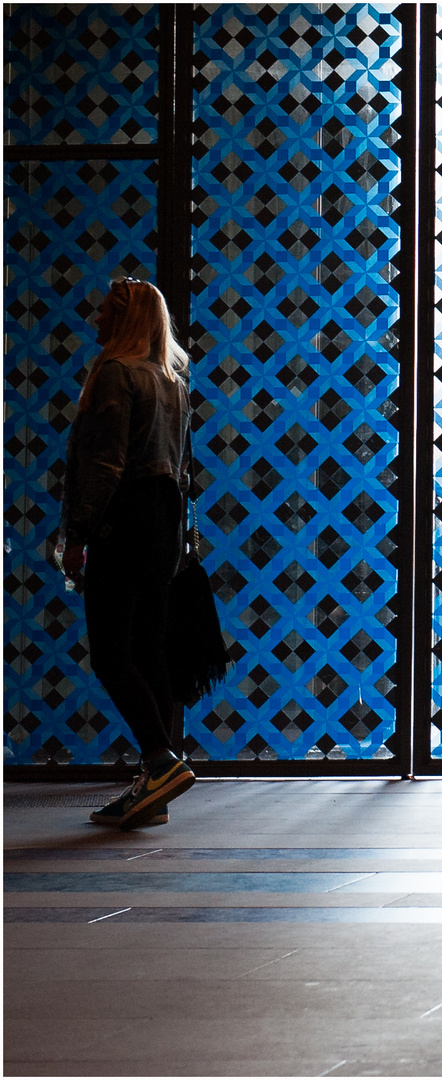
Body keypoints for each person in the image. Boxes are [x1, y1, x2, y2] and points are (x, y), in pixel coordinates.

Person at [58, 278, 197, 828]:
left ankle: (162, 761)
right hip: (163, 521)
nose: (94, 318)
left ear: (123, 320)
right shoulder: (172, 381)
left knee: (111, 651)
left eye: (103, 311)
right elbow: (182, 469)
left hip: (124, 519)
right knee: (149, 651)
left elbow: (105, 463)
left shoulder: (115, 373)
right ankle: (156, 789)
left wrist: (79, 533)